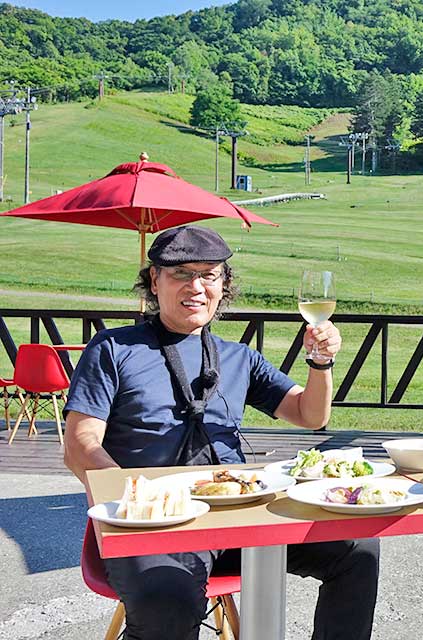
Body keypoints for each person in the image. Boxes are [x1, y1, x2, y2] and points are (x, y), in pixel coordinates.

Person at [63, 226, 379, 640]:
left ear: (223, 285)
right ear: (154, 281)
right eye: (180, 273)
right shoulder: (112, 349)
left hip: (241, 517)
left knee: (358, 551)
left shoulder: (238, 356)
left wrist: (320, 363)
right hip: (156, 525)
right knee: (168, 598)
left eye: (209, 274)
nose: (196, 286)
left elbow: (310, 414)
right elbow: (80, 446)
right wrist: (137, 497)